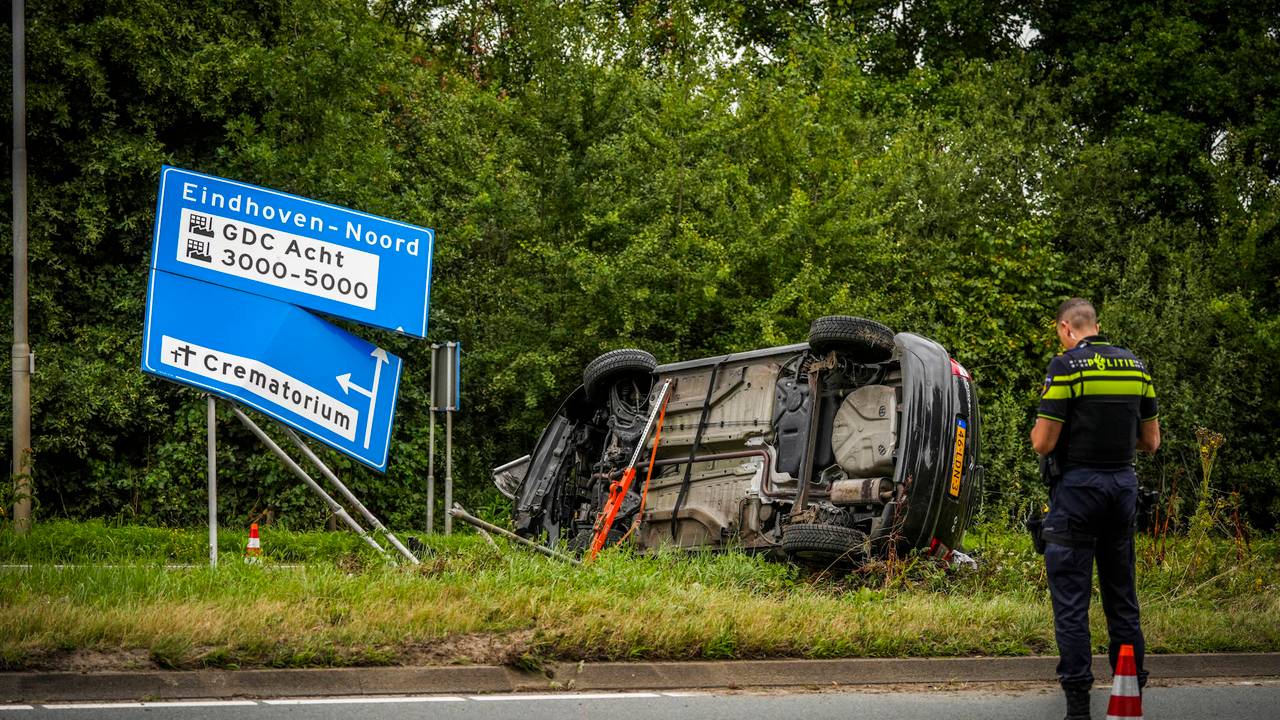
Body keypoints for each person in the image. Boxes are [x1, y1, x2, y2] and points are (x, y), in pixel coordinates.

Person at [1030, 298, 1161, 720]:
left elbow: (1043, 443)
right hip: (1122, 488)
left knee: (1072, 601)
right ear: (1096, 326)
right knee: (1122, 597)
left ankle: (1078, 707)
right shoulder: (1136, 367)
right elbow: (1151, 442)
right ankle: (1129, 694)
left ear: (1065, 328)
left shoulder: (1065, 367)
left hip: (1078, 490)